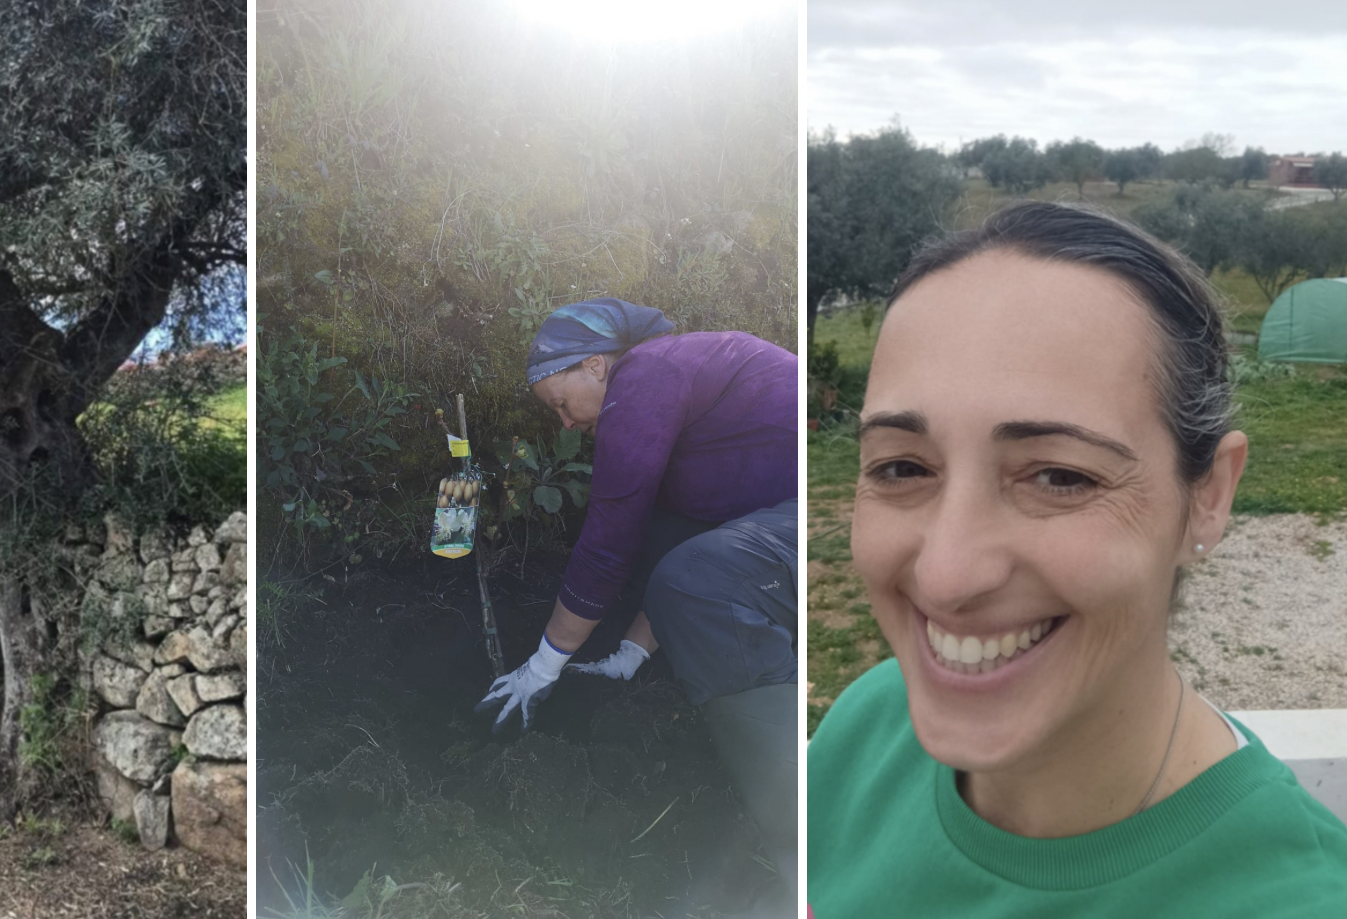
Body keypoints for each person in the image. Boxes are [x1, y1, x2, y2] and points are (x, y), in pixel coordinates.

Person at [808, 202, 1347, 915]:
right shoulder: (867, 727)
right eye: (902, 468)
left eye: (1060, 476)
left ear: (1209, 496)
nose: (946, 573)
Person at [473, 297, 800, 899]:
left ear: (595, 366)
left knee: (700, 582)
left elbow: (609, 538)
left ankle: (807, 845)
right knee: (673, 541)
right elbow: (677, 534)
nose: (566, 424)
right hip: (780, 518)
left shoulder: (647, 372)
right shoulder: (671, 388)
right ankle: (641, 661)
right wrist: (628, 653)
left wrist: (544, 666)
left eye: (561, 404)